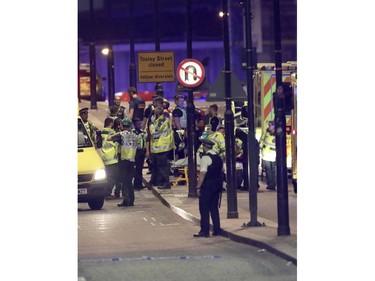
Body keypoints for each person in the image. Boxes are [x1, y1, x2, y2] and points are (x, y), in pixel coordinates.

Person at [194, 138, 223, 238]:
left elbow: (202, 173)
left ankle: (204, 231)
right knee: (214, 208)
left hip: (207, 186)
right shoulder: (218, 157)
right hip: (217, 186)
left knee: (204, 208)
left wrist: (198, 187)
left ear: (204, 147)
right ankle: (217, 230)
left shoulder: (205, 158)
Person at [109, 117, 138, 206]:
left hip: (123, 161)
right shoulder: (134, 135)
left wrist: (118, 132)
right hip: (132, 160)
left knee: (124, 181)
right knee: (129, 181)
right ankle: (131, 200)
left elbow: (109, 138)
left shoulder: (121, 135)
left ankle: (126, 200)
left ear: (122, 125)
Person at [147, 106, 175, 189]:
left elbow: (153, 131)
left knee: (163, 166)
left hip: (162, 146)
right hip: (159, 146)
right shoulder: (159, 120)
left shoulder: (162, 121)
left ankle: (166, 183)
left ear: (156, 114)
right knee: (158, 166)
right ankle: (158, 181)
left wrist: (151, 124)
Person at [99, 118, 121, 199]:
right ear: (111, 124)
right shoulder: (112, 133)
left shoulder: (101, 132)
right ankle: (107, 193)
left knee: (108, 176)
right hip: (112, 158)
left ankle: (109, 192)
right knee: (113, 177)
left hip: (104, 157)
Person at [259, 120, 276, 190]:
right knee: (268, 171)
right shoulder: (265, 133)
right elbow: (261, 141)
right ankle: (270, 185)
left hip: (274, 156)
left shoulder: (277, 134)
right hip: (266, 155)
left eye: (270, 125)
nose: (268, 127)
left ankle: (273, 184)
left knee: (273, 171)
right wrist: (260, 147)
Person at [133, 118, 147, 191]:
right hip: (135, 152)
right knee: (136, 169)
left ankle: (139, 184)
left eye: (140, 124)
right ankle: (136, 184)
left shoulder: (143, 133)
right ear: (134, 125)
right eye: (138, 124)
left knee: (139, 169)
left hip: (142, 152)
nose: (139, 125)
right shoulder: (132, 133)